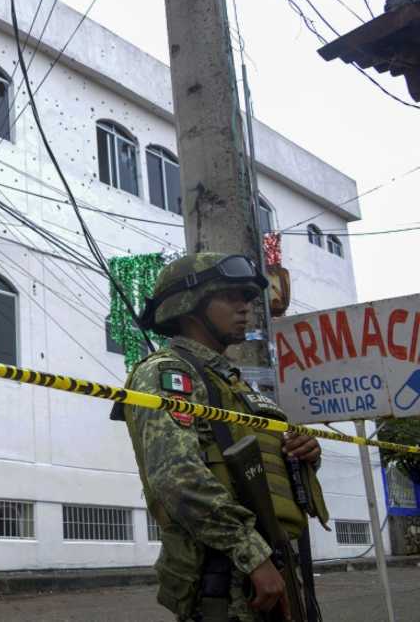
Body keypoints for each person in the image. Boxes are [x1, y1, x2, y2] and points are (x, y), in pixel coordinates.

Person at [125, 253, 329, 621]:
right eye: (230, 297)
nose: (245, 308)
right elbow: (176, 475)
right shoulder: (169, 373)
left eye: (247, 299)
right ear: (190, 306)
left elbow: (263, 462)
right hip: (229, 577)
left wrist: (304, 453)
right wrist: (253, 554)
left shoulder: (233, 384)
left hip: (275, 564)